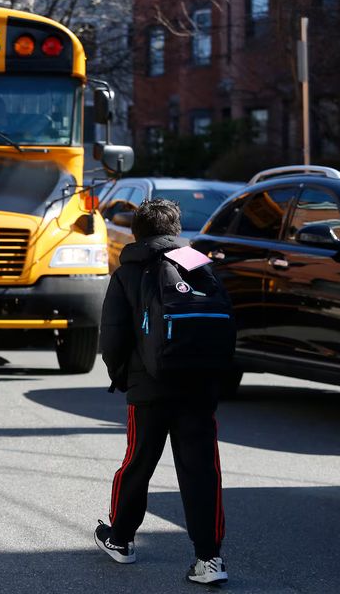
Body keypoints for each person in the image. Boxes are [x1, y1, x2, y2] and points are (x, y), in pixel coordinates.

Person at [96, 199, 228, 585]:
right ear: (175, 229)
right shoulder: (199, 264)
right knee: (202, 470)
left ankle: (120, 540)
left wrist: (122, 377)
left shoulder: (128, 272)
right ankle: (209, 559)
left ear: (137, 232)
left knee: (138, 463)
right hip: (199, 385)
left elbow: (113, 336)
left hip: (149, 387)